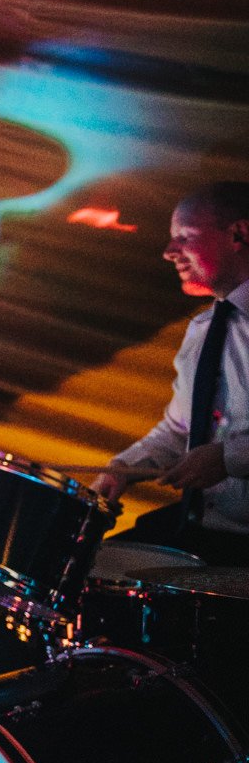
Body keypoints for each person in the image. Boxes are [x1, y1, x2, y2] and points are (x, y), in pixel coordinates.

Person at [92, 181, 249, 565]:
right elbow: (180, 431)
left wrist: (228, 458)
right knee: (92, 566)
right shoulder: (202, 332)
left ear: (239, 234)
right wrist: (124, 468)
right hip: (204, 529)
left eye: (184, 236)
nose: (168, 252)